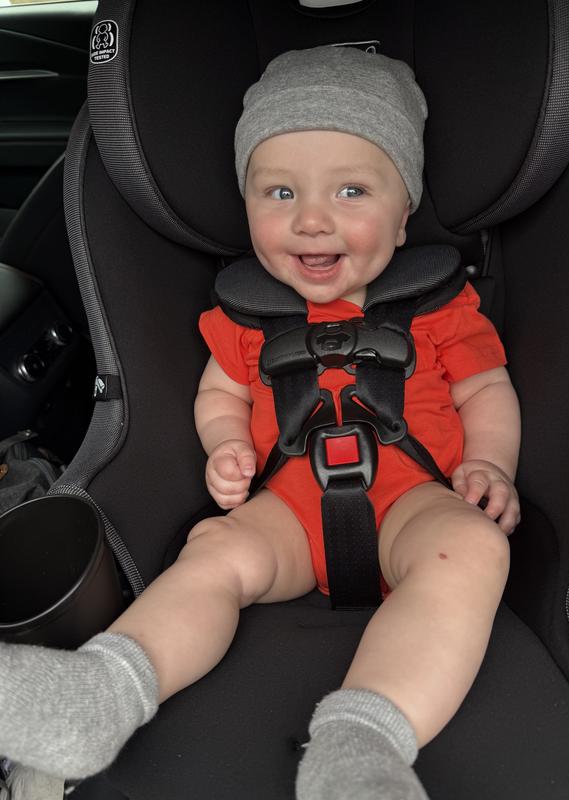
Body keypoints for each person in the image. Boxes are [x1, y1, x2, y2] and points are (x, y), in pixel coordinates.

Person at [0, 46, 520, 800]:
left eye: (351, 190)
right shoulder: (245, 317)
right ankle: (102, 692)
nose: (310, 219)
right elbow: (220, 397)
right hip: (288, 513)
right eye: (279, 191)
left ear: (403, 214)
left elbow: (486, 389)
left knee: (471, 549)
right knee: (213, 554)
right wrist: (227, 446)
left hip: (415, 502)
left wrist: (491, 465)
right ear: (246, 205)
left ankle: (361, 743)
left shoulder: (440, 305)